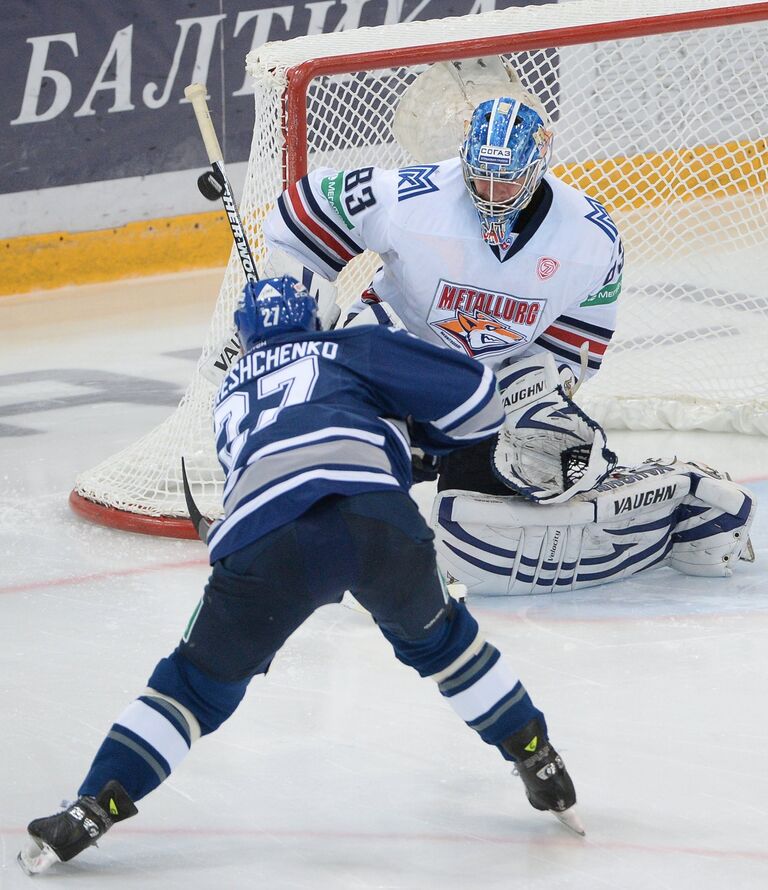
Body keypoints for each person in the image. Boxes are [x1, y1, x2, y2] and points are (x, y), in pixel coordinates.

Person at [19, 276, 583, 876]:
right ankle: (536, 755)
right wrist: (430, 445)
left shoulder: (231, 392)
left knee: (191, 687)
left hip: (265, 540)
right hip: (375, 522)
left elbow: (297, 431)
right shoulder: (350, 346)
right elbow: (478, 398)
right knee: (445, 644)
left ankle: (90, 809)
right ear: (321, 320)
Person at [261, 86, 756, 596]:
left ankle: (640, 496)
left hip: (488, 386)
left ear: (537, 166)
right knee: (329, 426)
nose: (491, 192)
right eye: (481, 177)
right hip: (396, 356)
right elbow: (303, 212)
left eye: (507, 180)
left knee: (548, 457)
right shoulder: (410, 197)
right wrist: (292, 318)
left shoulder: (590, 236)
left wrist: (534, 412)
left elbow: (572, 347)